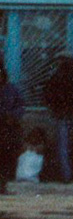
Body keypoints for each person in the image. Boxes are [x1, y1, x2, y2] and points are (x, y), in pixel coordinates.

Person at [43, 55, 73, 183]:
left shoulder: (58, 76)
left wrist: (55, 108)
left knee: (63, 145)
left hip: (63, 114)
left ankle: (66, 176)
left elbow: (48, 94)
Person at [0, 65, 25, 194]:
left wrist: (13, 115)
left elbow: (20, 105)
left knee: (6, 157)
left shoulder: (11, 89)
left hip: (9, 129)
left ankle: (3, 184)